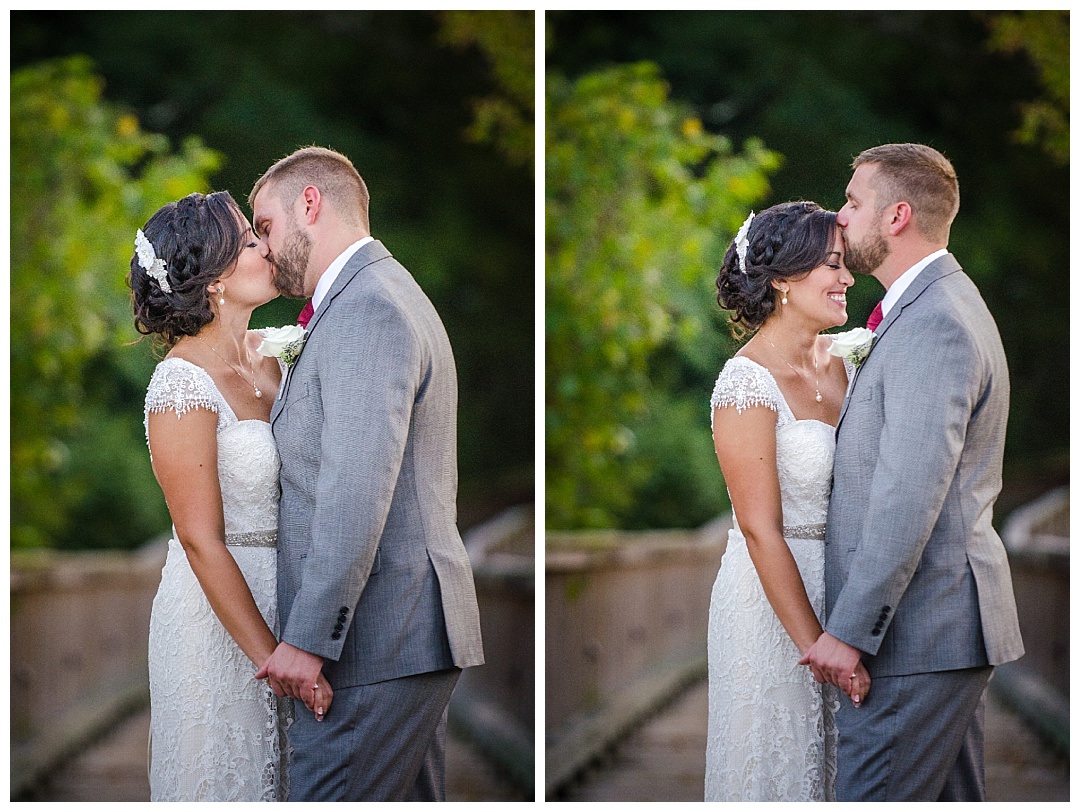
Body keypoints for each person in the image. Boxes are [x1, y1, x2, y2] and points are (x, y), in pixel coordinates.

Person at [249, 146, 485, 801]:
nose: (263, 249)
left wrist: (307, 640)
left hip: (377, 642)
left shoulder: (368, 309)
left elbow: (355, 491)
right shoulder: (373, 296)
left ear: (310, 204)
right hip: (395, 640)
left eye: (265, 227)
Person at [800, 143, 1025, 801]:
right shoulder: (931, 306)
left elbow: (910, 490)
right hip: (936, 633)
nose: (841, 220)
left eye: (853, 203)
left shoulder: (935, 322)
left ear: (896, 216)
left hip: (916, 635)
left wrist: (848, 631)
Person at [132, 191, 333, 802]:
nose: (266, 247)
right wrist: (273, 660)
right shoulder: (179, 385)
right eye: (250, 241)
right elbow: (199, 539)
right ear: (215, 280)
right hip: (215, 618)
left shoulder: (275, 354)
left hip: (289, 594)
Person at [705, 201, 869, 801]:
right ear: (781, 279)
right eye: (831, 265)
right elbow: (759, 530)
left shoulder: (848, 361)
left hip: (843, 591)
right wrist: (815, 645)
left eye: (845, 264)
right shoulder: (745, 382)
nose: (847, 278)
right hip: (770, 604)